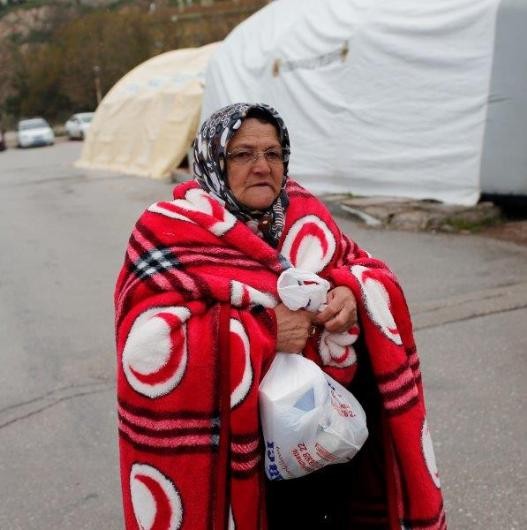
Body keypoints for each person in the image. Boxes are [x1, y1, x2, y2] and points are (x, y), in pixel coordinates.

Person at [114, 103, 446, 530]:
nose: (261, 166)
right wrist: (263, 332)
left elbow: (366, 268)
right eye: (242, 154)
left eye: (272, 154)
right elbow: (146, 350)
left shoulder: (304, 212)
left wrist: (349, 290)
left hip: (329, 441)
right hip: (243, 453)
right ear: (214, 161)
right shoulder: (167, 232)